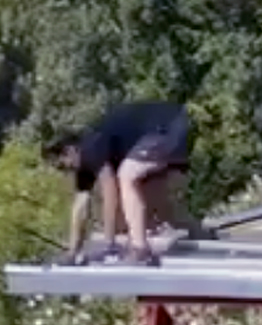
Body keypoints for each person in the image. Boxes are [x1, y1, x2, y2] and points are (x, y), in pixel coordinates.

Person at [45, 100, 213, 266]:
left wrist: (108, 242)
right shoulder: (85, 162)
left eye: (62, 165)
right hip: (173, 127)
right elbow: (80, 206)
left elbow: (110, 192)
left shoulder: (90, 146)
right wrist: (72, 253)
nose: (65, 171)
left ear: (69, 150)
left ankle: (141, 251)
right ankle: (201, 234)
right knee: (158, 205)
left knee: (127, 176)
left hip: (167, 127)